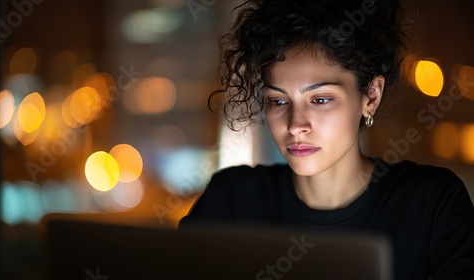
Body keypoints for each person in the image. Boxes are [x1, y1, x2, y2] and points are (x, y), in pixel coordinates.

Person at [178, 0, 474, 278]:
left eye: (320, 99)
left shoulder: (433, 204)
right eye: (278, 101)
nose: (296, 125)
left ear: (371, 96)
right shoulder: (231, 200)